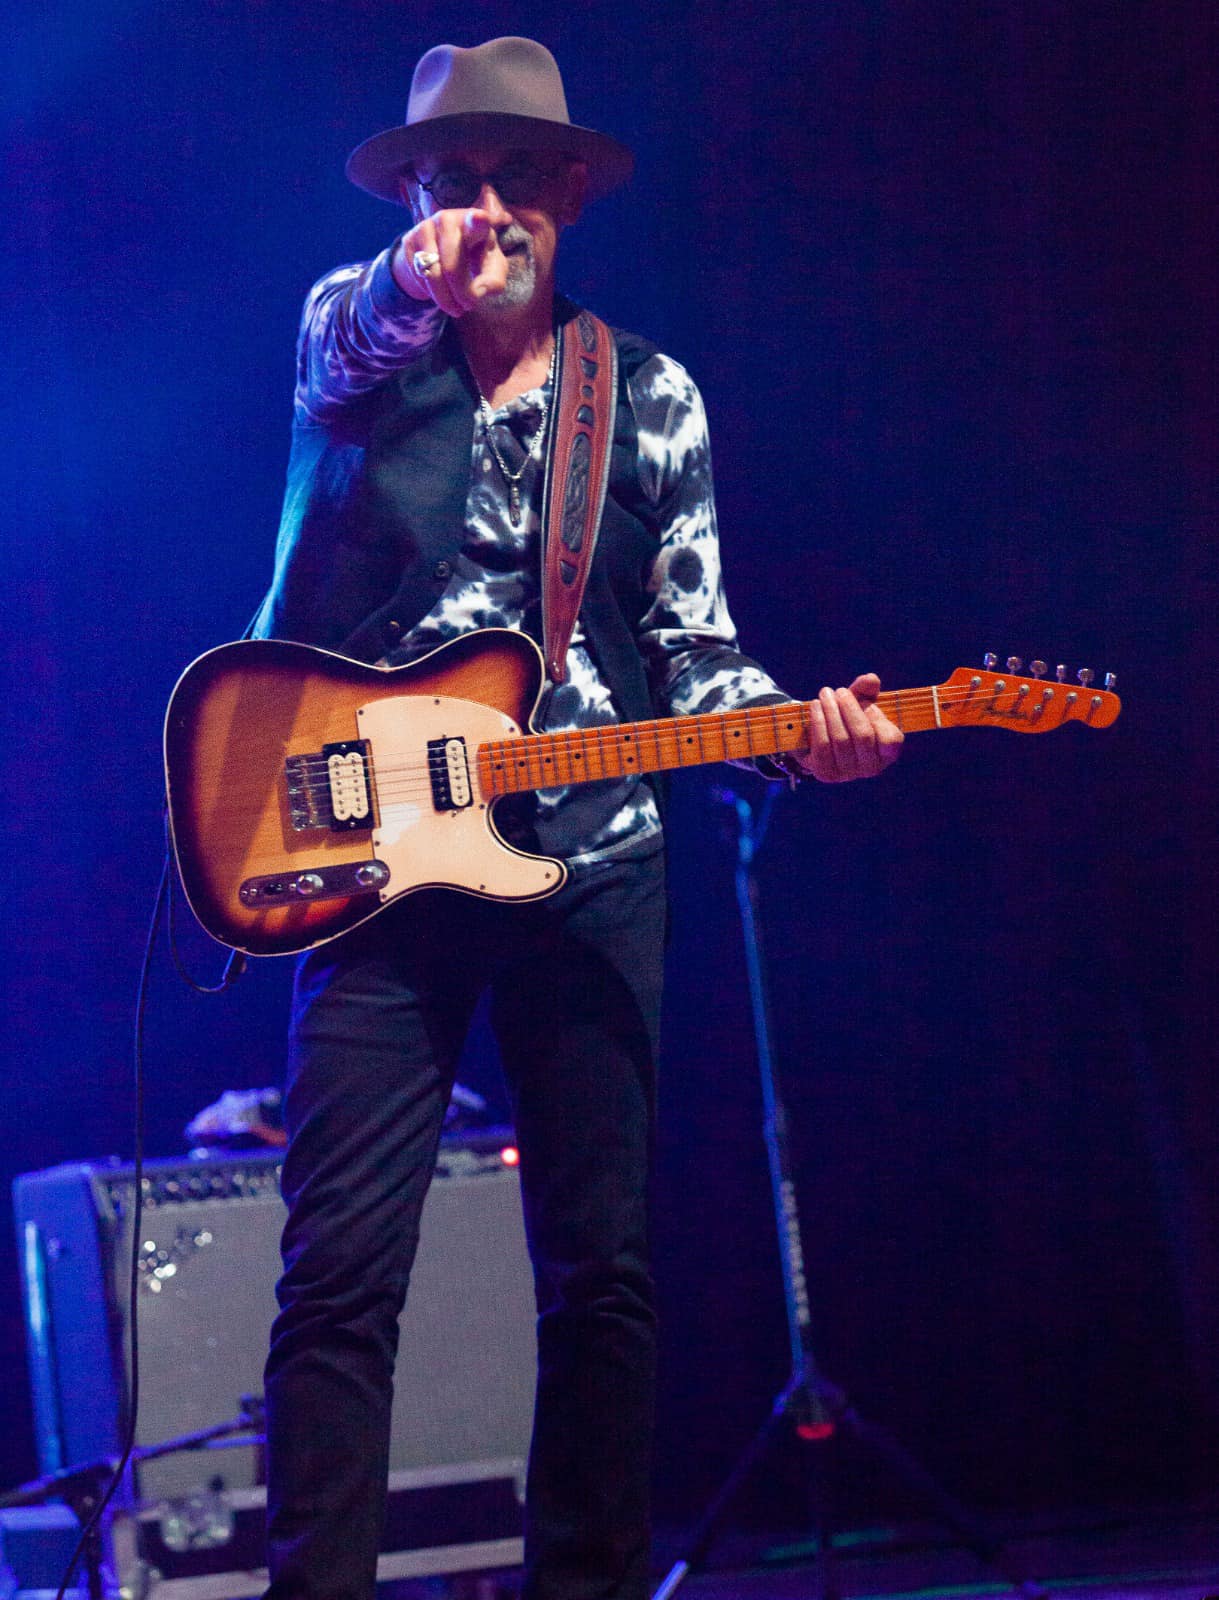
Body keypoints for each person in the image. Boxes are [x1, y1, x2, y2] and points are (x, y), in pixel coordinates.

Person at [253, 36, 903, 1600]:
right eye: (454, 181)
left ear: (571, 199)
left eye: (520, 180)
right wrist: (409, 281)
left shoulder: (649, 395)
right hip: (376, 863)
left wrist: (801, 741)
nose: (490, 210)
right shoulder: (360, 348)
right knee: (339, 1272)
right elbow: (344, 329)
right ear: (413, 199)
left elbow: (698, 648)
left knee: (600, 1275)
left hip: (594, 852)